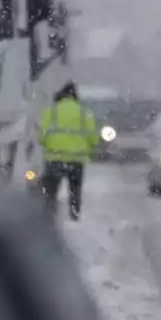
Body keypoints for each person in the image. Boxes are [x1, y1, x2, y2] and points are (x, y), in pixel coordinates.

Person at [36, 81, 99, 220]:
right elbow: (94, 139)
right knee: (75, 189)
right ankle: (74, 214)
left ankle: (49, 214)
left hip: (54, 158)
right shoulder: (84, 113)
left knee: (51, 191)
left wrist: (52, 145)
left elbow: (41, 137)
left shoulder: (50, 112)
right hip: (76, 160)